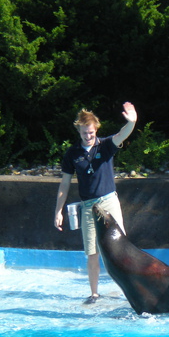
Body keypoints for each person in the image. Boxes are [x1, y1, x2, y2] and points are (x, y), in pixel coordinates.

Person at [54, 102, 137, 303]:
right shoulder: (72, 154)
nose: (88, 136)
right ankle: (94, 293)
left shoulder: (106, 145)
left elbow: (122, 134)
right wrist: (58, 211)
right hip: (88, 206)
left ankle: (131, 288)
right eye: (84, 133)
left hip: (109, 201)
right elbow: (64, 184)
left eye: (91, 132)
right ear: (79, 131)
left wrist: (132, 122)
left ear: (95, 129)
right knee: (92, 252)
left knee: (121, 247)